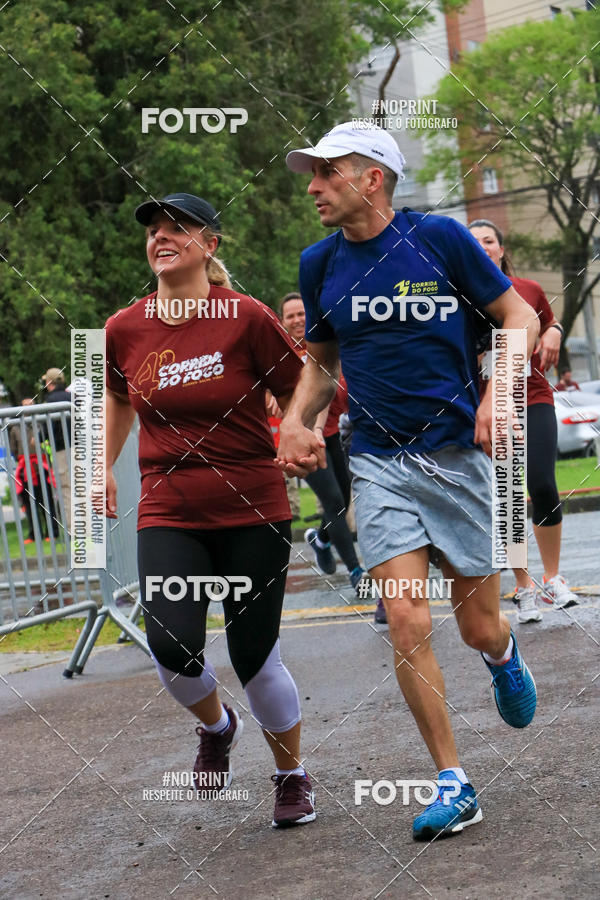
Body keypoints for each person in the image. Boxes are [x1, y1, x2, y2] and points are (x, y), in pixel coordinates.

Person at [279, 122, 539, 841]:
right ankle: (453, 782)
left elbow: (516, 314)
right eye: (312, 174)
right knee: (406, 618)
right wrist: (297, 419)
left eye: (327, 173)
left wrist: (498, 393)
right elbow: (322, 362)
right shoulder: (319, 263)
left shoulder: (439, 239)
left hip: (458, 457)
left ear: (373, 179)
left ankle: (501, 654)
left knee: (478, 624)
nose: (313, 187)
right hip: (377, 461)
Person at [104, 193, 315, 828]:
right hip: (168, 507)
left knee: (255, 656)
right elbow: (117, 397)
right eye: (154, 230)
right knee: (171, 645)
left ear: (210, 245)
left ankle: (291, 775)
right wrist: (99, 467)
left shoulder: (245, 316)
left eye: (178, 228)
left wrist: (299, 427)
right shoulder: (124, 328)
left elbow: (304, 382)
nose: (161, 237)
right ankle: (218, 727)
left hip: (253, 506)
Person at [468, 220, 579, 617]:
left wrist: (556, 331)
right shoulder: (458, 295)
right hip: (489, 403)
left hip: (533, 395)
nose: (483, 247)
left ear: (501, 249)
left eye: (489, 240)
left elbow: (548, 323)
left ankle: (552, 578)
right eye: (474, 242)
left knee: (543, 483)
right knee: (508, 494)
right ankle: (524, 586)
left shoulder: (527, 289)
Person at [277, 293, 371, 603]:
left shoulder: (325, 345)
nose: (297, 320)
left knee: (342, 495)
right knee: (333, 500)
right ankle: (356, 572)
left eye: (301, 313)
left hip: (332, 433)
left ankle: (321, 538)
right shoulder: (281, 354)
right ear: (282, 321)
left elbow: (335, 385)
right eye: (290, 316)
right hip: (303, 437)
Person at [41, 367, 71, 534]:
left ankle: (75, 533)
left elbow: (47, 427)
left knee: (66, 489)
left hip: (61, 450)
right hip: (81, 448)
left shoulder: (50, 401)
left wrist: (39, 438)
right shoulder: (73, 397)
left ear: (49, 382)